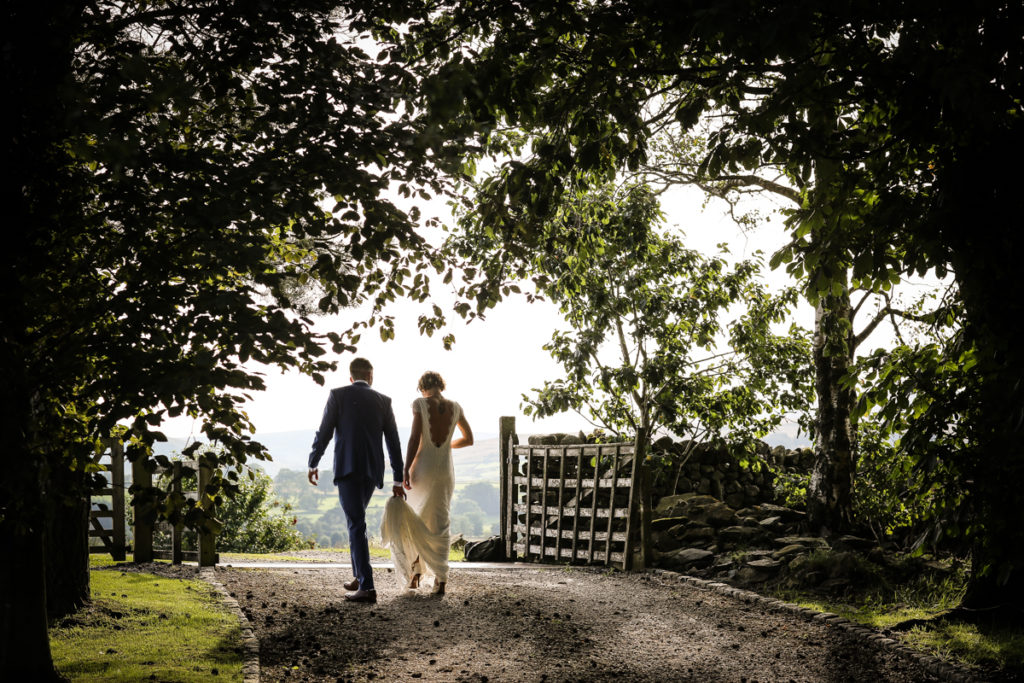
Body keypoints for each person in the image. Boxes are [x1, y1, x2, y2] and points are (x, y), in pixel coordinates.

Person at [308, 357, 404, 604]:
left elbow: (325, 431)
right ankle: (358, 576)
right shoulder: (384, 401)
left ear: (351, 377)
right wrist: (398, 478)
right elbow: (393, 441)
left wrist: (313, 461)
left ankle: (367, 587)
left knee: (356, 524)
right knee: (356, 520)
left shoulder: (337, 395)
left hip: (347, 470)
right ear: (371, 377)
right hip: (372, 472)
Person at [381, 370, 473, 595]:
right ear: (441, 386)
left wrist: (405, 468)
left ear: (422, 387)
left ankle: (415, 575)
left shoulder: (420, 404)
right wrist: (446, 447)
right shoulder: (456, 407)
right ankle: (441, 580)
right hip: (444, 471)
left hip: (423, 469)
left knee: (416, 520)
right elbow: (469, 439)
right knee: (441, 522)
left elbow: (414, 438)